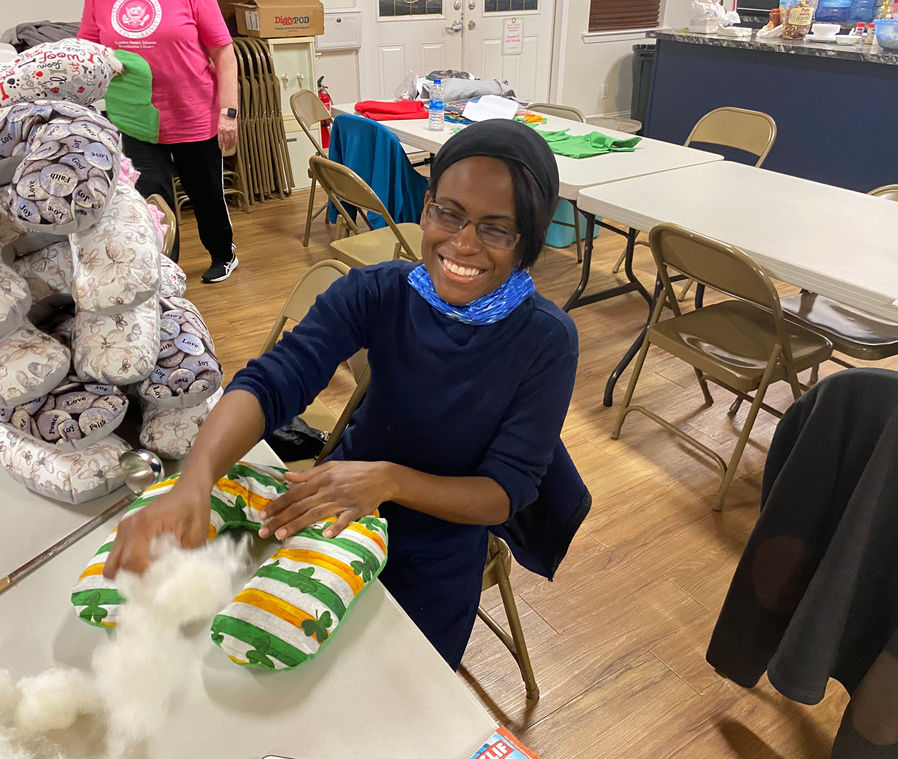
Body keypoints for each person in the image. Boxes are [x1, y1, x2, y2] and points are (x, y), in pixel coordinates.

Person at [102, 119, 580, 669]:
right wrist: (195, 481)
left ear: (529, 240)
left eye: (497, 229)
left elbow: (505, 492)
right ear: (426, 208)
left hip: (436, 551)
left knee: (386, 689)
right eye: (448, 213)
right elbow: (275, 378)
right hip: (333, 518)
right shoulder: (381, 291)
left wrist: (389, 480)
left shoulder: (545, 340)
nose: (463, 242)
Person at [78, 0, 240, 283]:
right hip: (135, 118)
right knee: (151, 200)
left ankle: (223, 254)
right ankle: (165, 269)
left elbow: (223, 51)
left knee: (205, 193)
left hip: (192, 113)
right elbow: (87, 52)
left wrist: (229, 112)